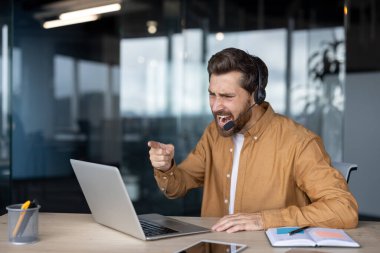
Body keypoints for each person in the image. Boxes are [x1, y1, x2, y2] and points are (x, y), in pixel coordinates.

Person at [147, 47, 358, 233]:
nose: (216, 106)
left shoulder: (299, 142)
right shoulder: (214, 133)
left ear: (256, 95)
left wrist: (264, 219)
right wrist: (166, 168)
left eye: (227, 96)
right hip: (215, 247)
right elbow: (178, 186)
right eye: (212, 94)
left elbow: (343, 208)